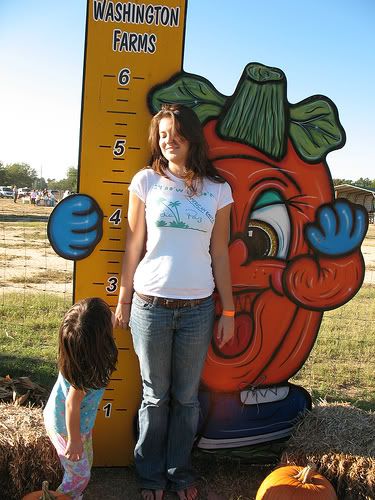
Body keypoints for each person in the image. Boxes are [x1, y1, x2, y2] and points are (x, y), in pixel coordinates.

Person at [115, 104, 235, 500]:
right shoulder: (145, 182)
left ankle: (179, 474)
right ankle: (150, 477)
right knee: (154, 396)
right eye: (162, 134)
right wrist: (124, 298)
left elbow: (221, 253)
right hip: (149, 305)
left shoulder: (219, 189)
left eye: (175, 133)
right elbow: (133, 243)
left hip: (198, 308)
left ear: (191, 137)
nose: (168, 140)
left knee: (186, 398)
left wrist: (229, 309)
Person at [44, 297, 118, 500]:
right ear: (101, 338)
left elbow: (111, 318)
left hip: (77, 423)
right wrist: (74, 440)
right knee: (80, 476)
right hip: (67, 427)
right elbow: (71, 404)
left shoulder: (78, 350)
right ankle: (60, 497)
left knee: (85, 463)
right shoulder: (88, 368)